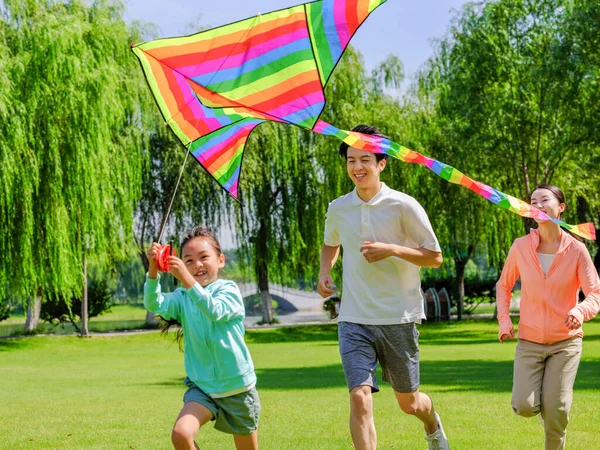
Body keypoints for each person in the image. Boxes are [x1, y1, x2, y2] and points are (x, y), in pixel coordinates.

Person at [317, 124, 449, 450]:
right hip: (354, 318)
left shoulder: (404, 205)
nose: (357, 167)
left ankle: (432, 425)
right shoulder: (338, 208)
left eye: (365, 160)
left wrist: (390, 249)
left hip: (398, 316)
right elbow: (330, 244)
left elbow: (434, 257)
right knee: (360, 398)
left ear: (382, 164)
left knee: (410, 403)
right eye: (351, 160)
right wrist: (324, 272)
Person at [496, 184, 600, 450]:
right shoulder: (520, 247)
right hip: (529, 341)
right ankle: (549, 407)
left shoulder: (576, 250)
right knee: (524, 406)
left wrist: (579, 311)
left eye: (545, 200)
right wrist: (505, 320)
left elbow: (595, 294)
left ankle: (554, 426)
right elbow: (503, 286)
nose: (538, 205)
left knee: (557, 409)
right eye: (533, 201)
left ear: (561, 208)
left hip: (565, 343)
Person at [144, 226, 260, 450]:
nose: (196, 265)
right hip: (203, 388)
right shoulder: (182, 297)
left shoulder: (229, 291)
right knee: (180, 435)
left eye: (203, 257)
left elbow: (214, 310)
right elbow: (153, 303)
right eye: (188, 260)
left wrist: (186, 279)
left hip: (237, 388)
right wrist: (153, 269)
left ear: (221, 260)